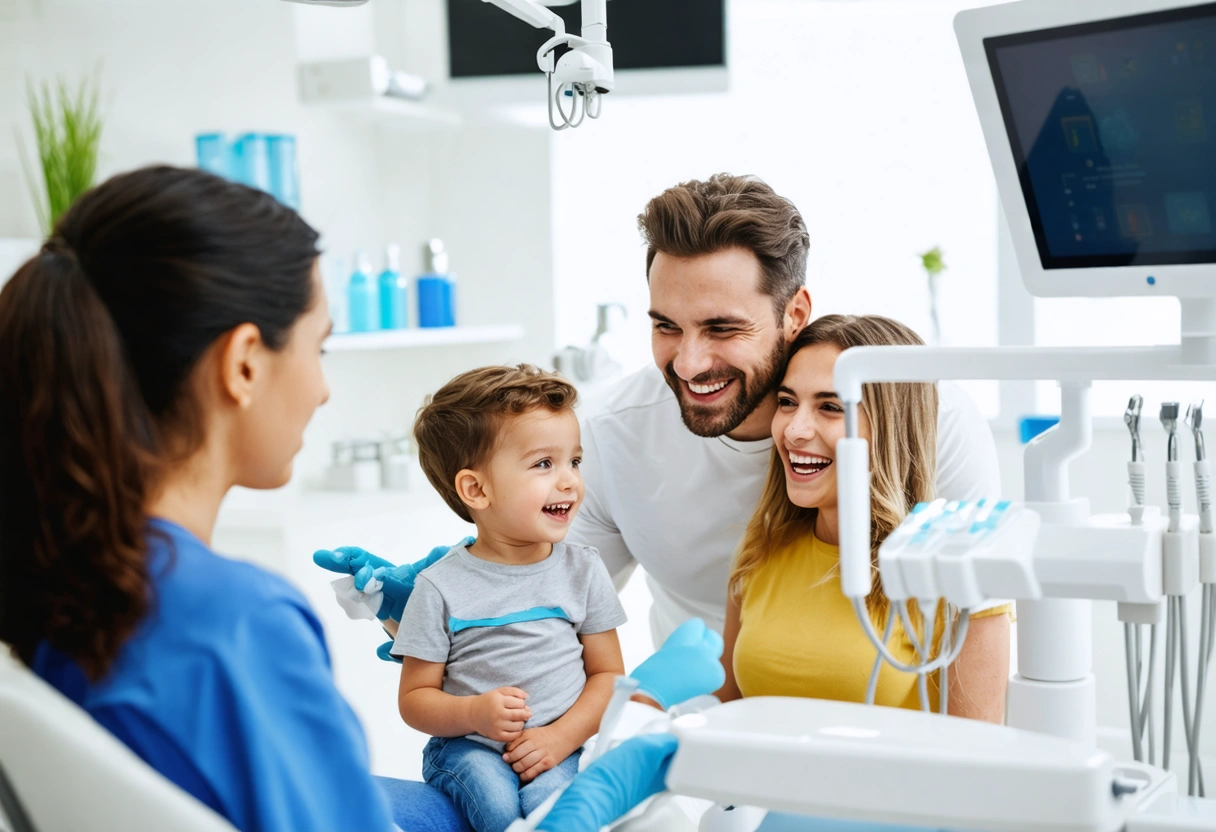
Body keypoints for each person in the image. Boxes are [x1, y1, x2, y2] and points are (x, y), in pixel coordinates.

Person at [0, 166, 467, 832]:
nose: (323, 389)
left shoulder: (64, 569)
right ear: (244, 363)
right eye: (319, 347)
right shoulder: (237, 622)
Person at [570, 173, 1002, 645]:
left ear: (794, 314)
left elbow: (976, 622)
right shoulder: (606, 435)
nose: (689, 364)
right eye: (667, 327)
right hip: (705, 690)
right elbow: (560, 617)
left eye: (722, 328)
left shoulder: (931, 422)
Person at [718, 315, 1011, 721]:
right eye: (787, 402)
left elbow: (977, 751)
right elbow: (726, 717)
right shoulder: (760, 552)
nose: (795, 430)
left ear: (891, 428)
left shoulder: (955, 575)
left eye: (830, 407)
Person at [393, 365, 627, 832]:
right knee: (498, 807)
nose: (569, 481)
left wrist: (560, 738)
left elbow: (609, 676)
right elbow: (415, 700)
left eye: (574, 461)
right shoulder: (439, 587)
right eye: (544, 464)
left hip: (556, 745)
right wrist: (473, 713)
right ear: (476, 489)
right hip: (466, 748)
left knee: (550, 809)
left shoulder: (583, 570)